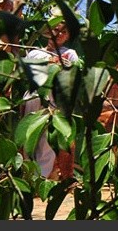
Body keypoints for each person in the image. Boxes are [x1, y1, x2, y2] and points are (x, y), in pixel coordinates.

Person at [21, 17, 79, 180]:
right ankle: (29, 178)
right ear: (48, 31)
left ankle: (44, 179)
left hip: (52, 104)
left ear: (68, 36)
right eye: (56, 30)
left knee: (47, 144)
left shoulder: (69, 54)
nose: (59, 34)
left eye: (64, 32)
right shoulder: (35, 53)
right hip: (32, 100)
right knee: (28, 139)